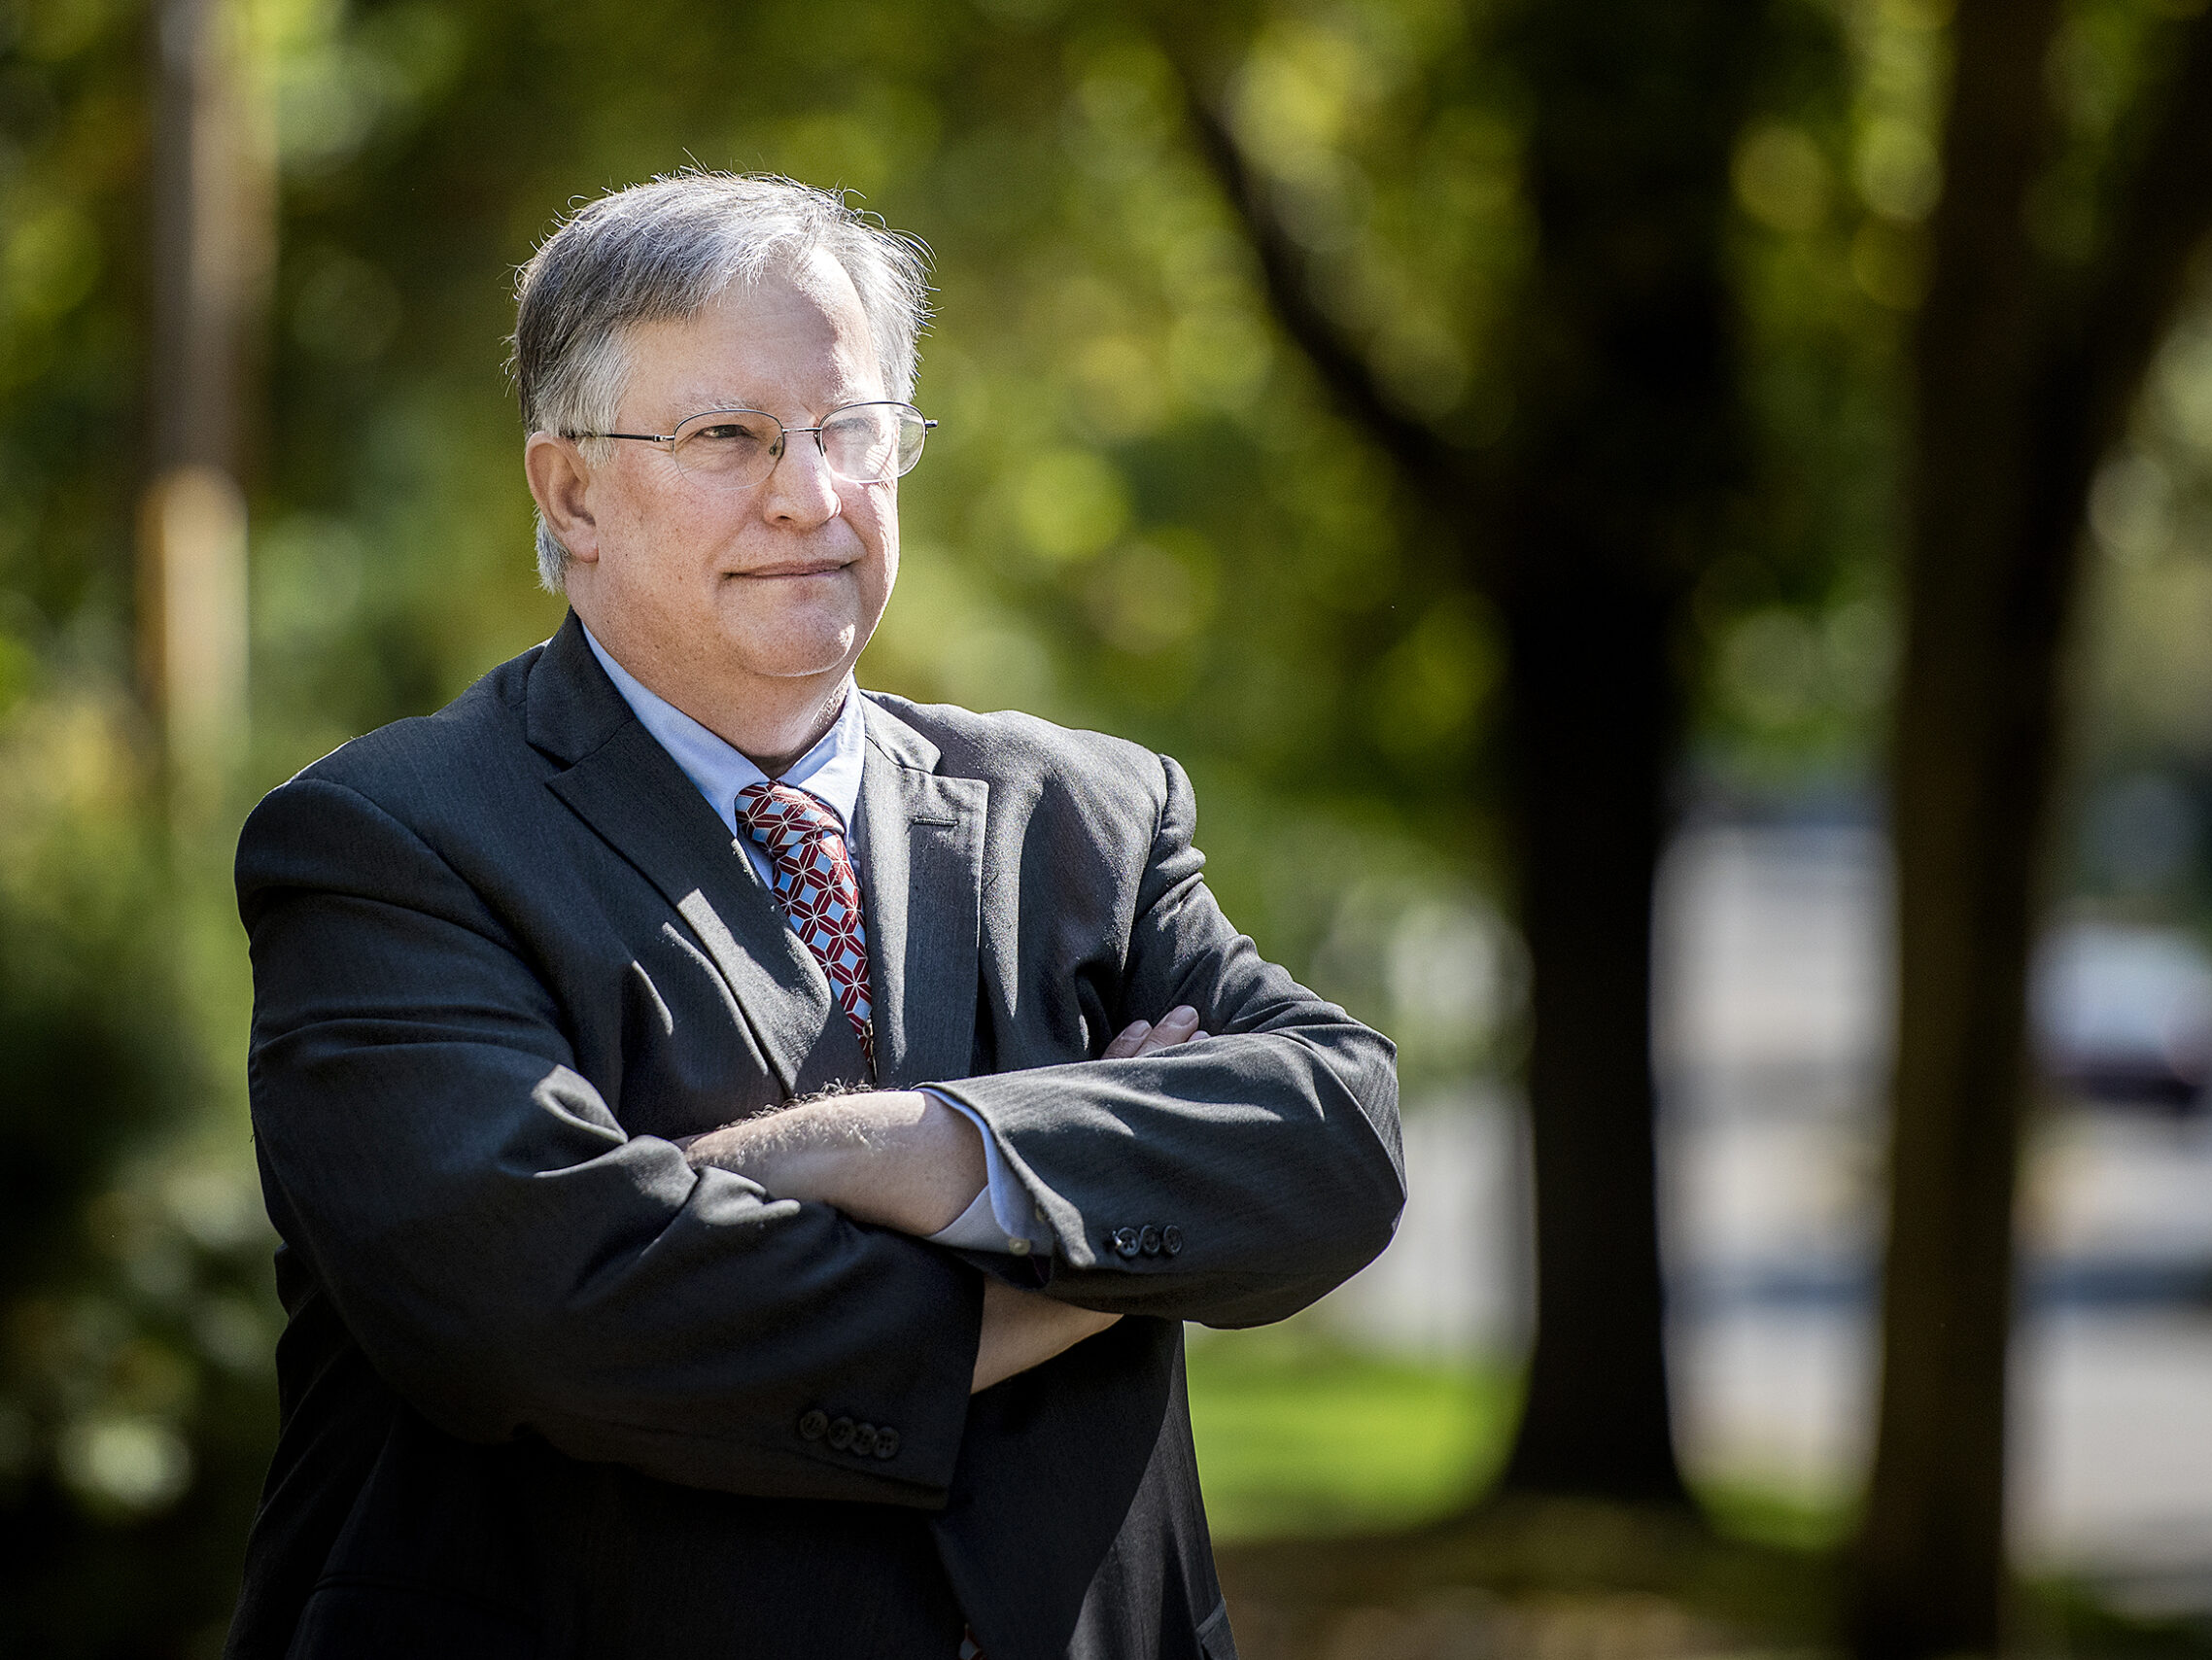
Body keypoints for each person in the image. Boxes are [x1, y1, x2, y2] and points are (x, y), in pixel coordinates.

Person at [225, 170, 1403, 1660]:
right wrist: (1098, 1243)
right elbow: (559, 1307)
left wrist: (907, 1149)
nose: (811, 494)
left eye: (850, 430)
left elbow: (1338, 1144)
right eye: (728, 436)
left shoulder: (1084, 819)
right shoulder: (389, 845)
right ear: (569, 490)